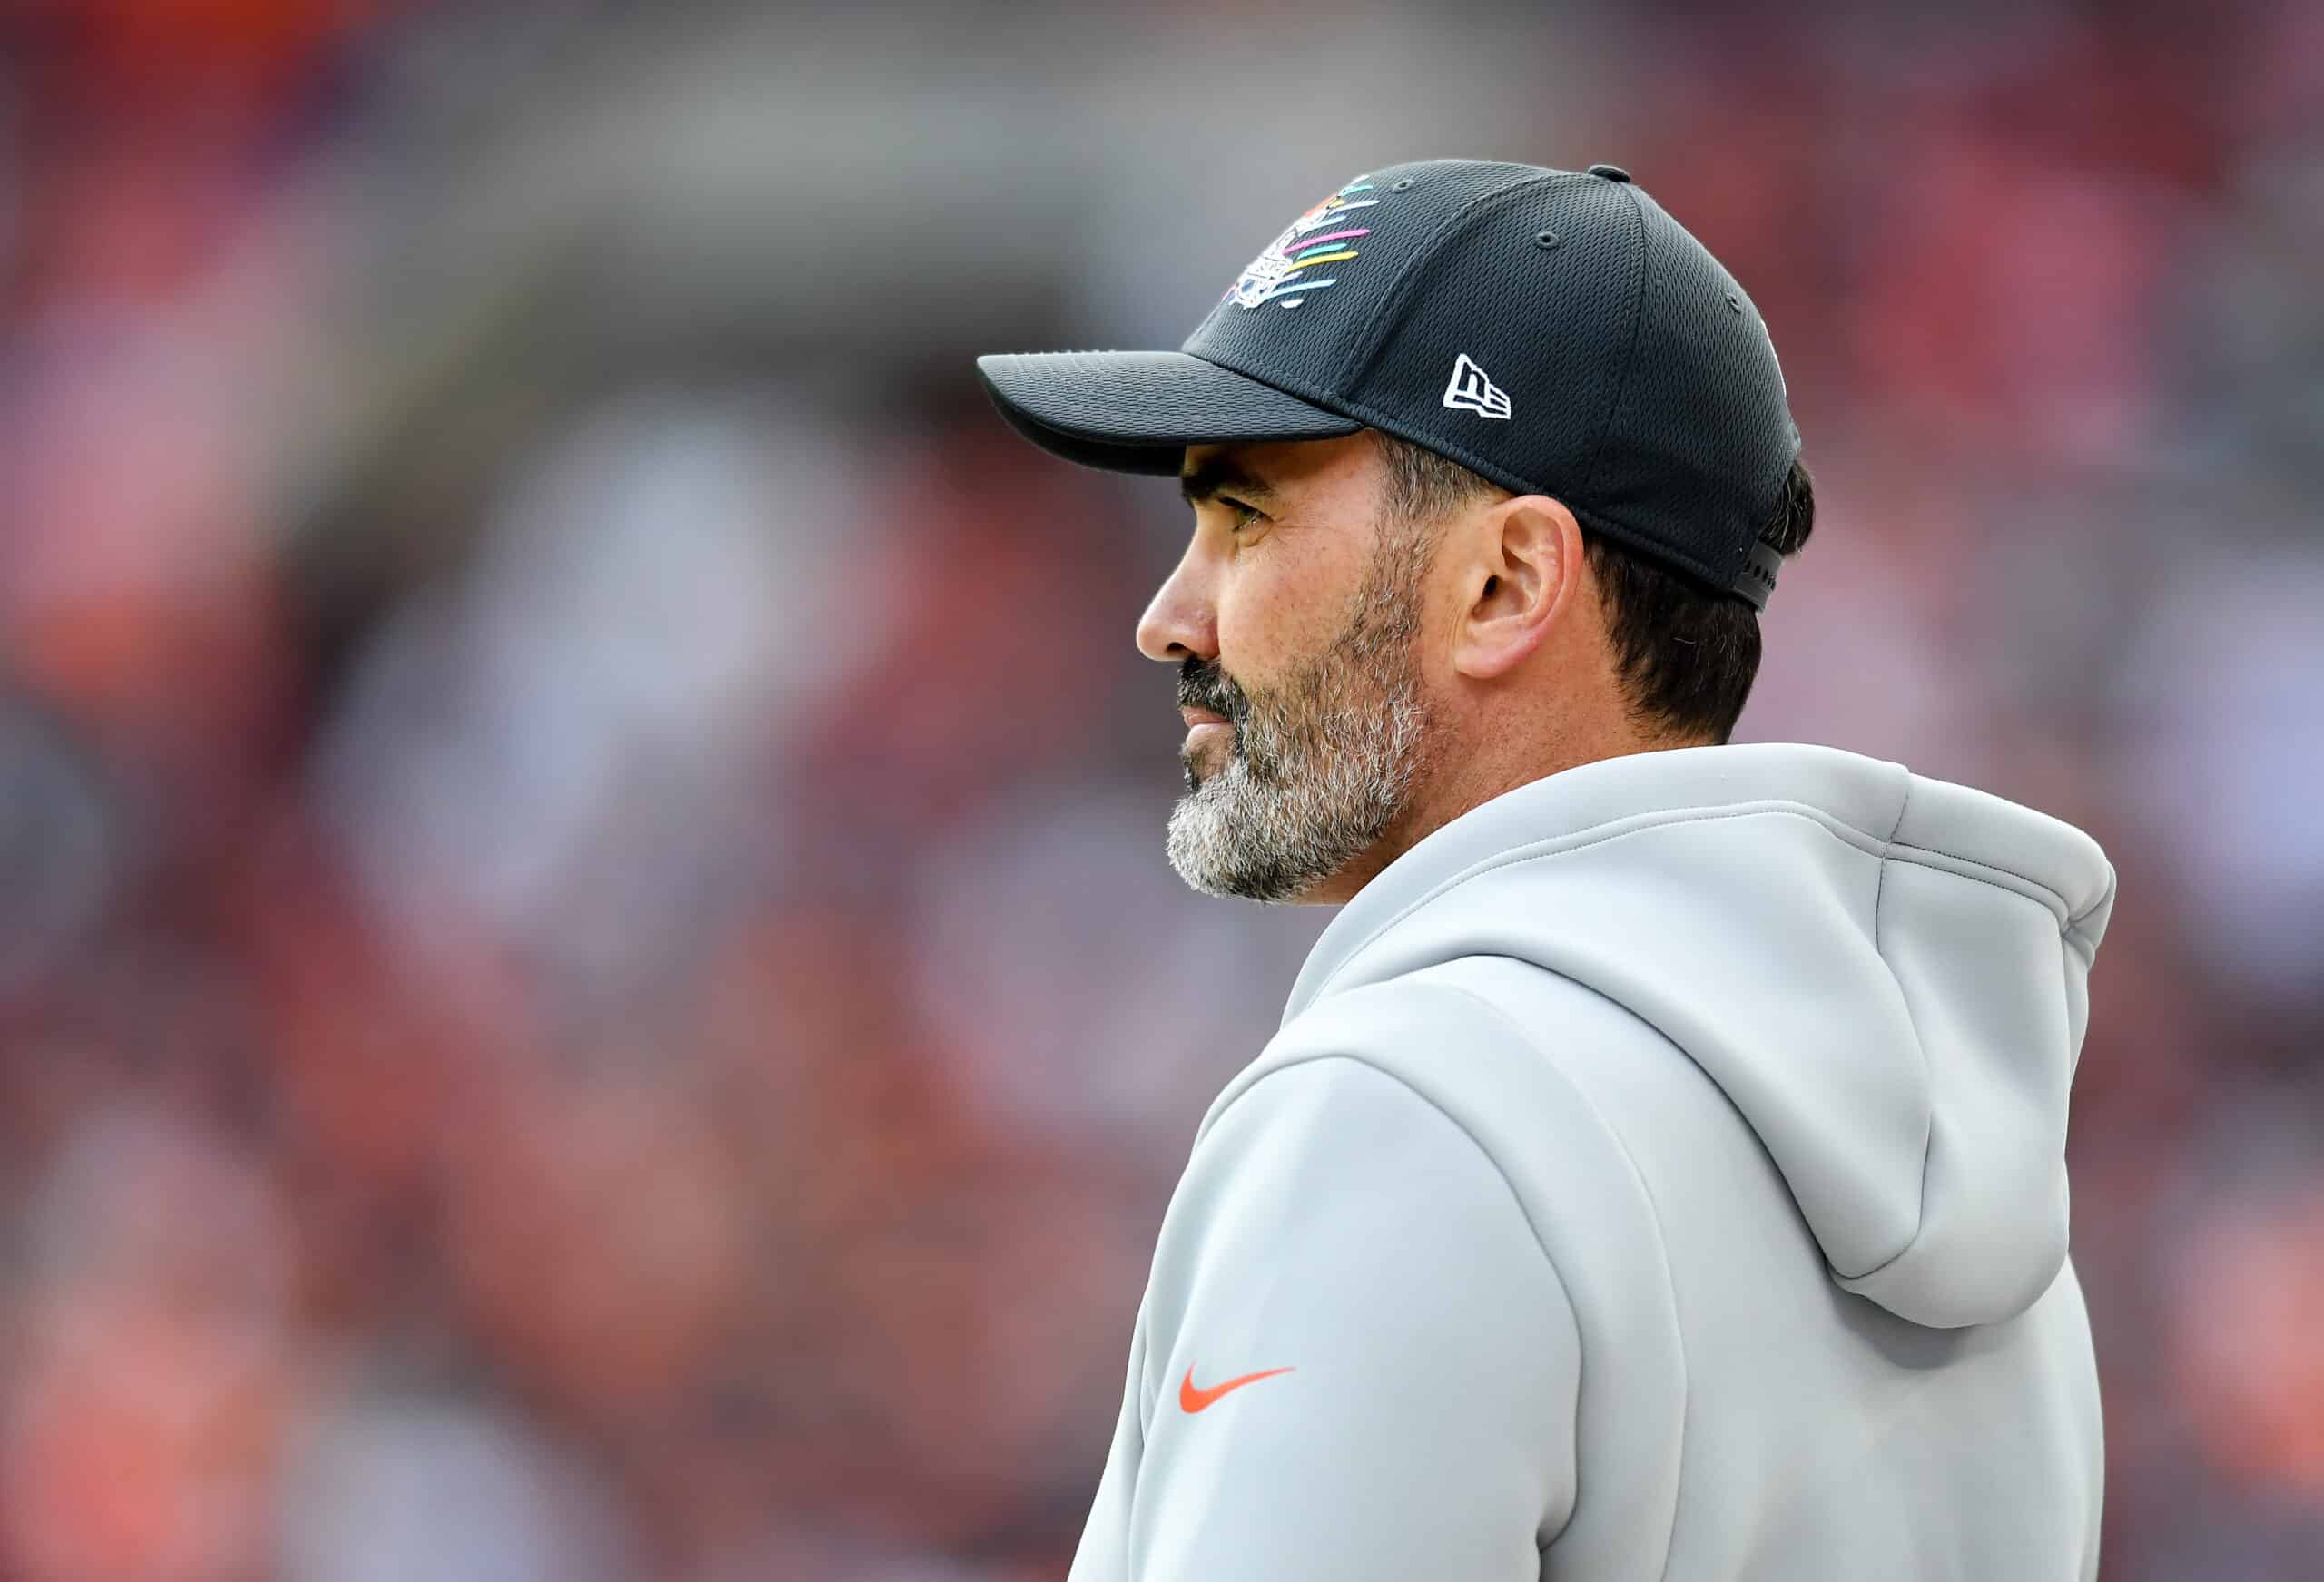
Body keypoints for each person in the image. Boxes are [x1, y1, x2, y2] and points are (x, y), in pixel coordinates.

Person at [975, 159, 2116, 1582]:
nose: (1169, 617)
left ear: (1508, 584)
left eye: (1245, 516)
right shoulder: (1991, 1208)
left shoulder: (1406, 1110)